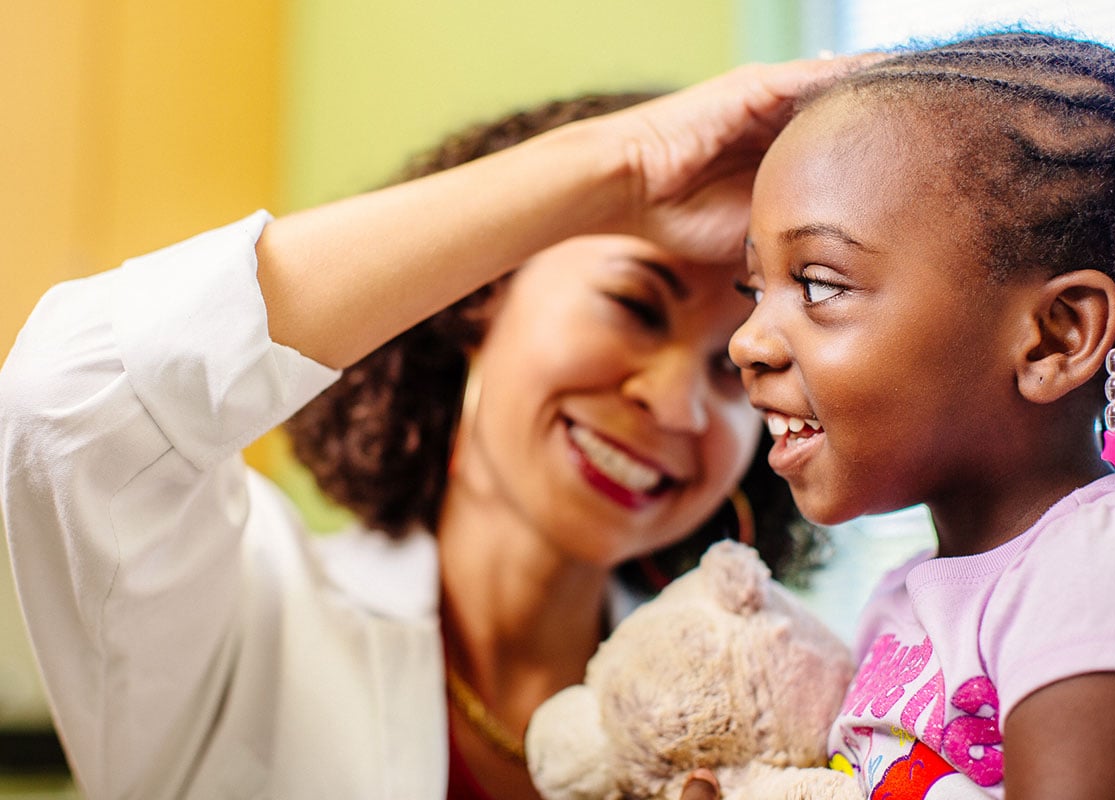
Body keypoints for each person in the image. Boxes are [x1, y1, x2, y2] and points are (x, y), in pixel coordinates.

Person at [0, 59, 862, 800]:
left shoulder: (764, 709)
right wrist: (619, 165)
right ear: (478, 299)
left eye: (738, 362)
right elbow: (68, 400)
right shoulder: (248, 620)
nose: (679, 405)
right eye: (634, 307)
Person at [731, 30, 1115, 799]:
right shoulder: (904, 597)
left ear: (1056, 336)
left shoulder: (1102, 568)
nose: (747, 342)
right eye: (753, 290)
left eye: (817, 284)